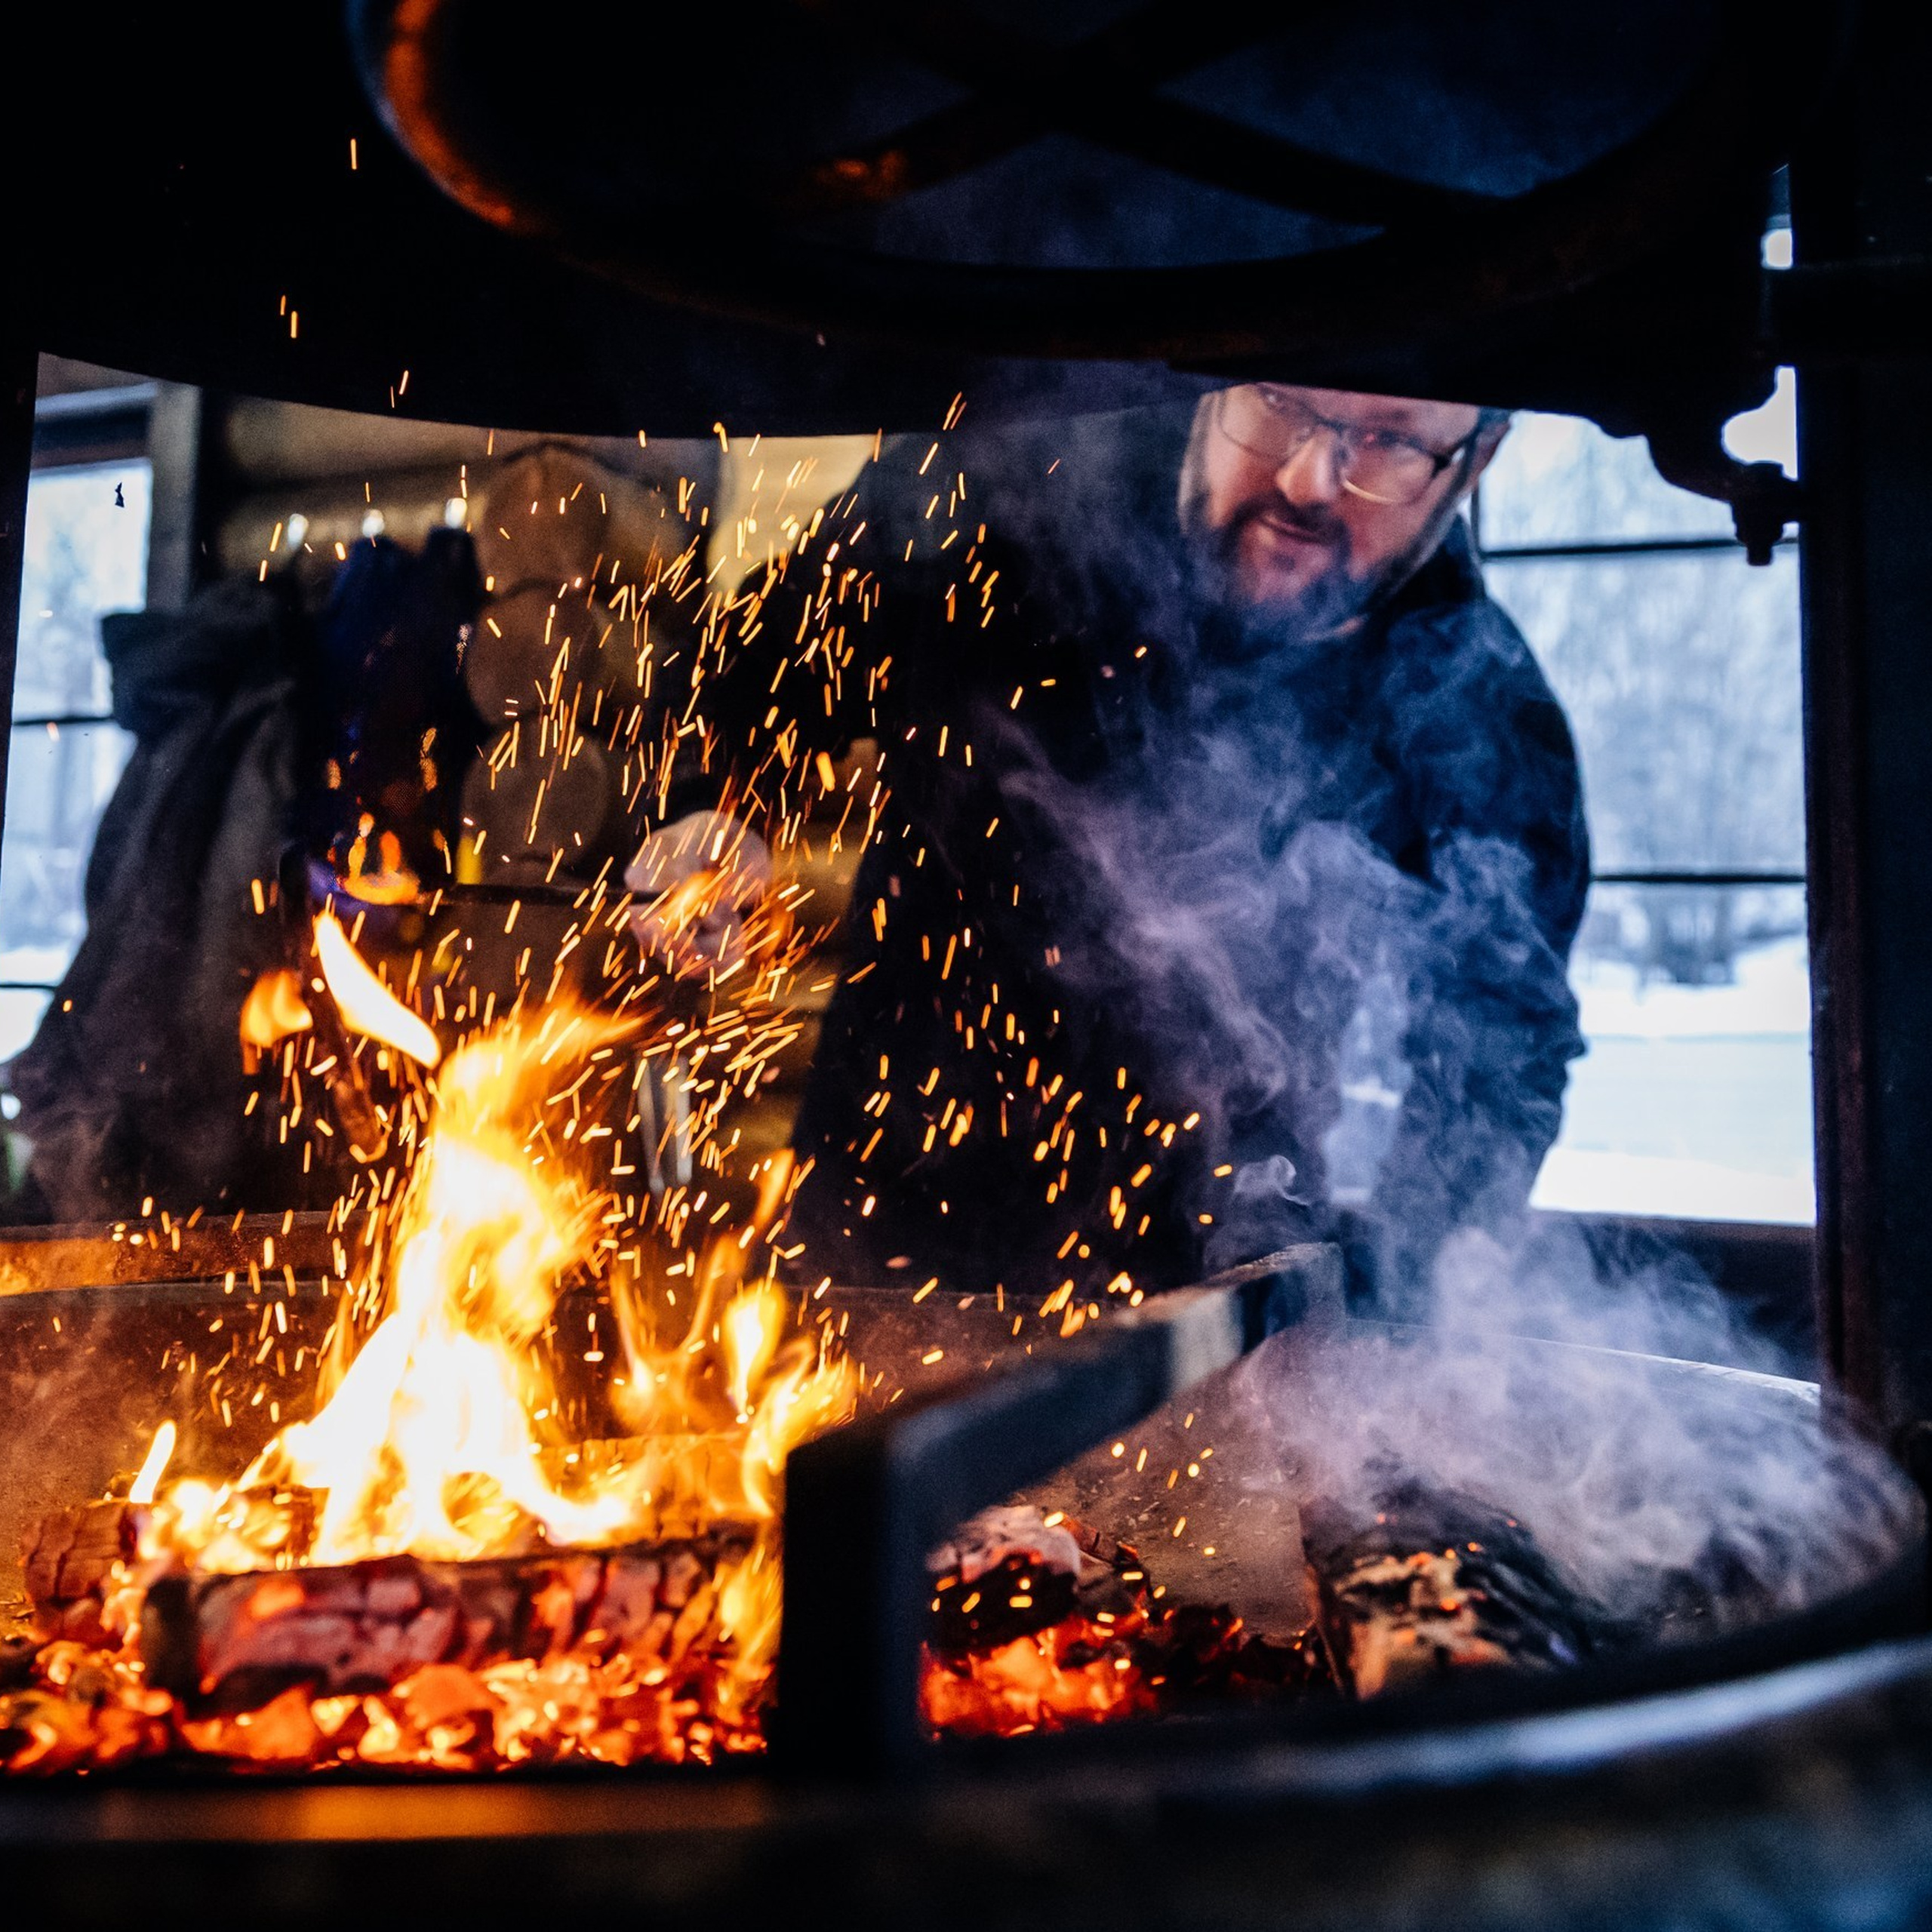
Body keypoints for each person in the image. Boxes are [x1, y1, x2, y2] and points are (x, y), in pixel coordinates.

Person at [635, 384, 1589, 1314]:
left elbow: (1503, 1039)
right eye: (1283, 409)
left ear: (1474, 464)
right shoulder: (1007, 474)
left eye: (1387, 444)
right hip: (879, 1220)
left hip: (1214, 1278)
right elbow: (749, 666)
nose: (1309, 479)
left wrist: (1409, 1289)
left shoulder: (1474, 694)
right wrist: (708, 811)